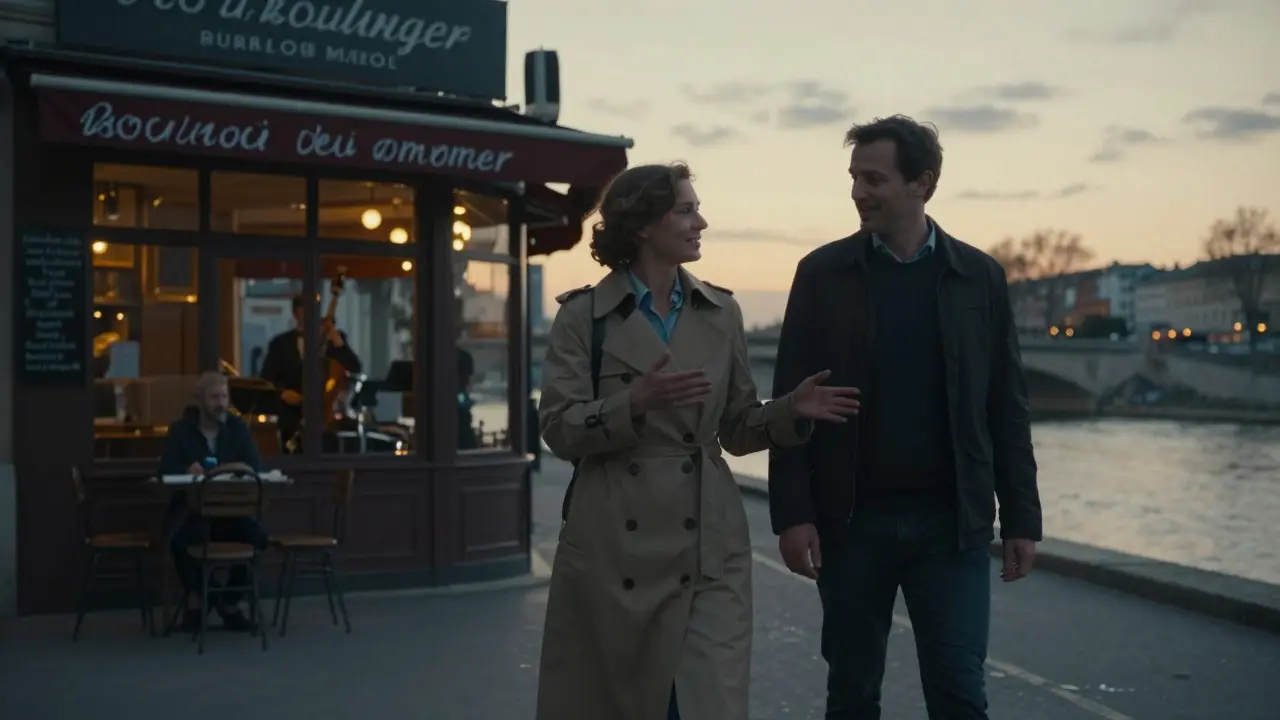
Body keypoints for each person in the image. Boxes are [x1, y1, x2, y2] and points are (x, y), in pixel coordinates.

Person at [535, 163, 861, 720]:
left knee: (707, 702)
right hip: (615, 547)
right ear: (642, 226)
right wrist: (633, 403)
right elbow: (559, 430)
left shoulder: (721, 311)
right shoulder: (583, 317)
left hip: (708, 546)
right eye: (685, 210)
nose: (700, 221)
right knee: (619, 702)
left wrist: (789, 410)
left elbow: (734, 430)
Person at [768, 115, 1042, 719]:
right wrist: (792, 515)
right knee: (853, 693)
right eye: (854, 178)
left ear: (923, 182)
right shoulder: (821, 274)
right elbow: (789, 403)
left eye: (874, 178)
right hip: (850, 525)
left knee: (960, 694)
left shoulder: (979, 277)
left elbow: (1006, 405)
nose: (859, 192)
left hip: (952, 528)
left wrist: (1021, 515)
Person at [158, 371, 267, 632]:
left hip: (230, 513)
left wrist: (233, 470)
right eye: (214, 397)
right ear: (199, 401)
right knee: (179, 542)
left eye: (224, 396)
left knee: (259, 540)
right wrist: (186, 471)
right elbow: (164, 471)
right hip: (192, 514)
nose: (221, 403)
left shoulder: (237, 428)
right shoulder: (180, 431)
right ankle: (203, 596)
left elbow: (254, 466)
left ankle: (228, 603)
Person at [259, 294, 363, 452]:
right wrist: (282, 393)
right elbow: (266, 378)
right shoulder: (280, 343)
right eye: (304, 310)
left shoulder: (330, 341)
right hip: (292, 418)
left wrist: (337, 340)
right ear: (295, 313)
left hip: (328, 420)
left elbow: (355, 367)